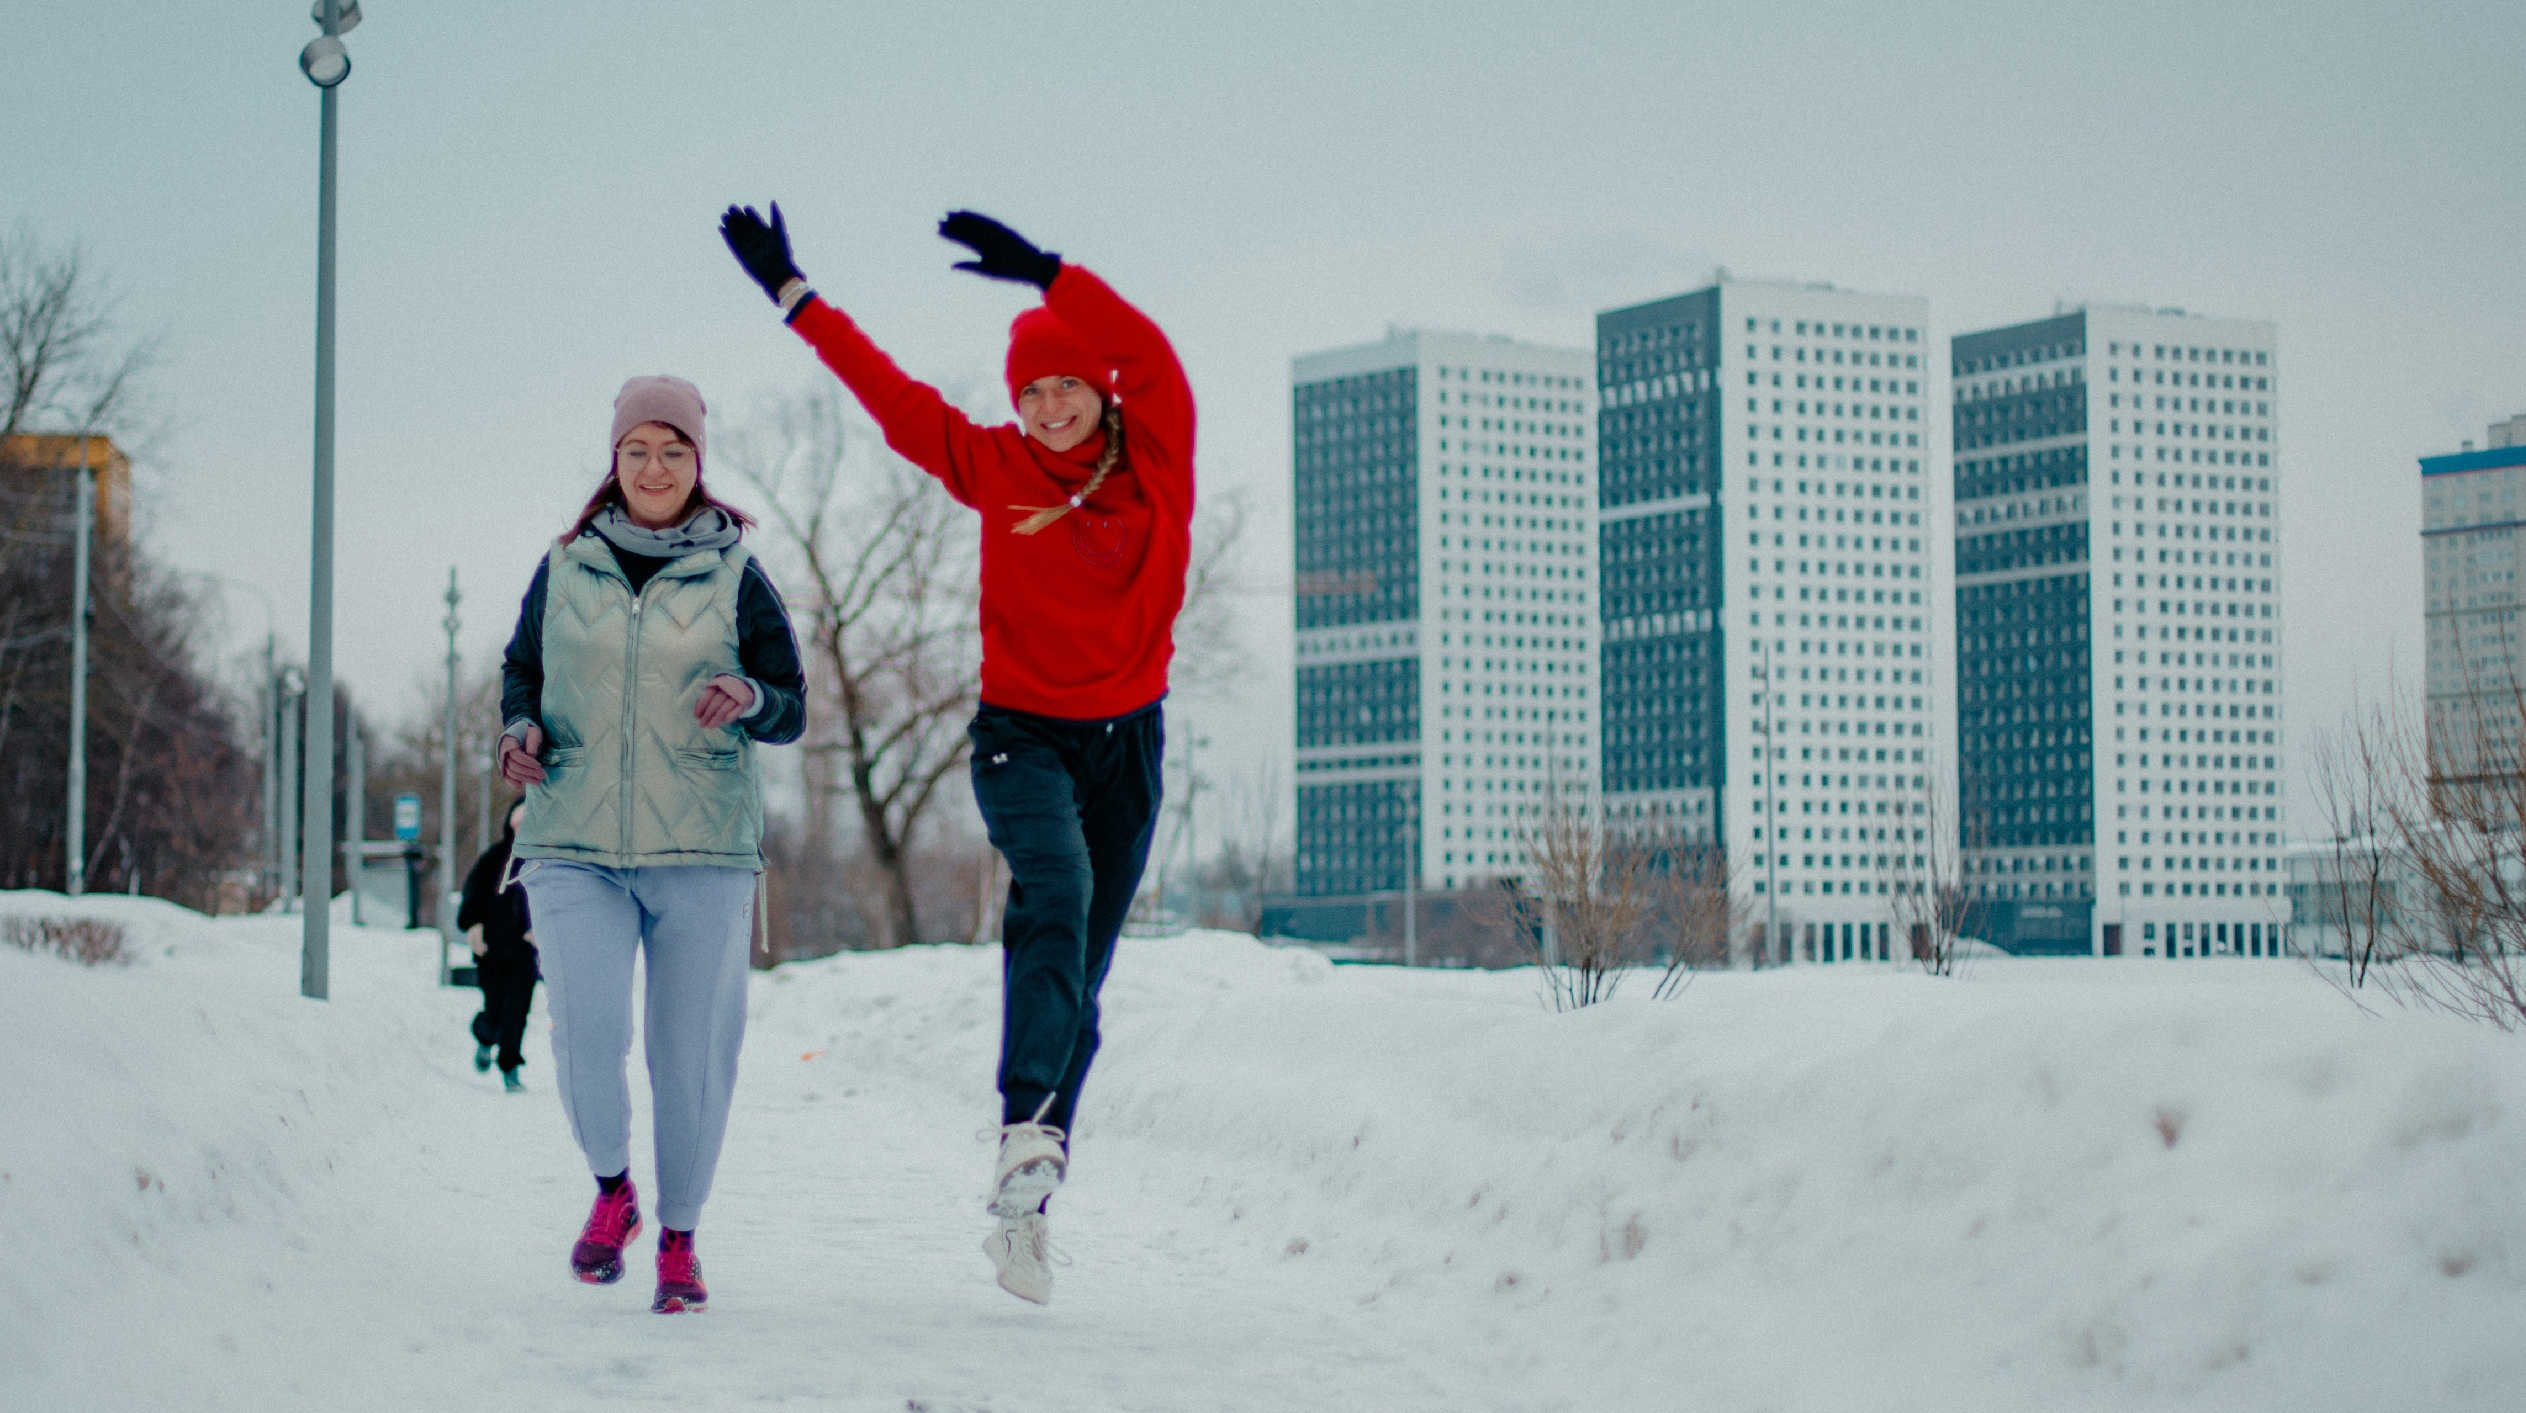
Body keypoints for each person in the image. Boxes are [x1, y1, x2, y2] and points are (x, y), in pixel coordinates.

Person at [719, 203, 1192, 1305]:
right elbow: (888, 397)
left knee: (1085, 976)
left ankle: (1028, 1194)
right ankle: (1027, 1118)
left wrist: (1050, 275)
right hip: (1019, 738)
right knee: (1055, 890)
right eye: (1029, 390)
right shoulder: (992, 465)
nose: (1049, 404)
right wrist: (796, 297)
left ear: (1099, 391)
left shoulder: (1158, 455)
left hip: (1130, 742)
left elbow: (1152, 352)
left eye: (1066, 384)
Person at [496, 374, 806, 1315]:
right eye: (639, 449)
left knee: (690, 1054)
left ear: (699, 463)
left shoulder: (737, 574)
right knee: (586, 1033)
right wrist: (518, 731)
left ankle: (679, 1235)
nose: (656, 465)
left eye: (674, 450)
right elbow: (522, 671)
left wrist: (749, 697)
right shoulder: (562, 566)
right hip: (571, 834)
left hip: (704, 849)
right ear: (615, 459)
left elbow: (790, 703)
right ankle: (611, 1192)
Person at [459, 800, 537, 1093]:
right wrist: (474, 925)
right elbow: (474, 893)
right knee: (494, 1011)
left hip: (524, 951)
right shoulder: (493, 858)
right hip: (490, 950)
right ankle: (485, 1036)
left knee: (517, 1010)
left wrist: (542, 932)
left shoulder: (542, 861)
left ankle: (510, 1068)